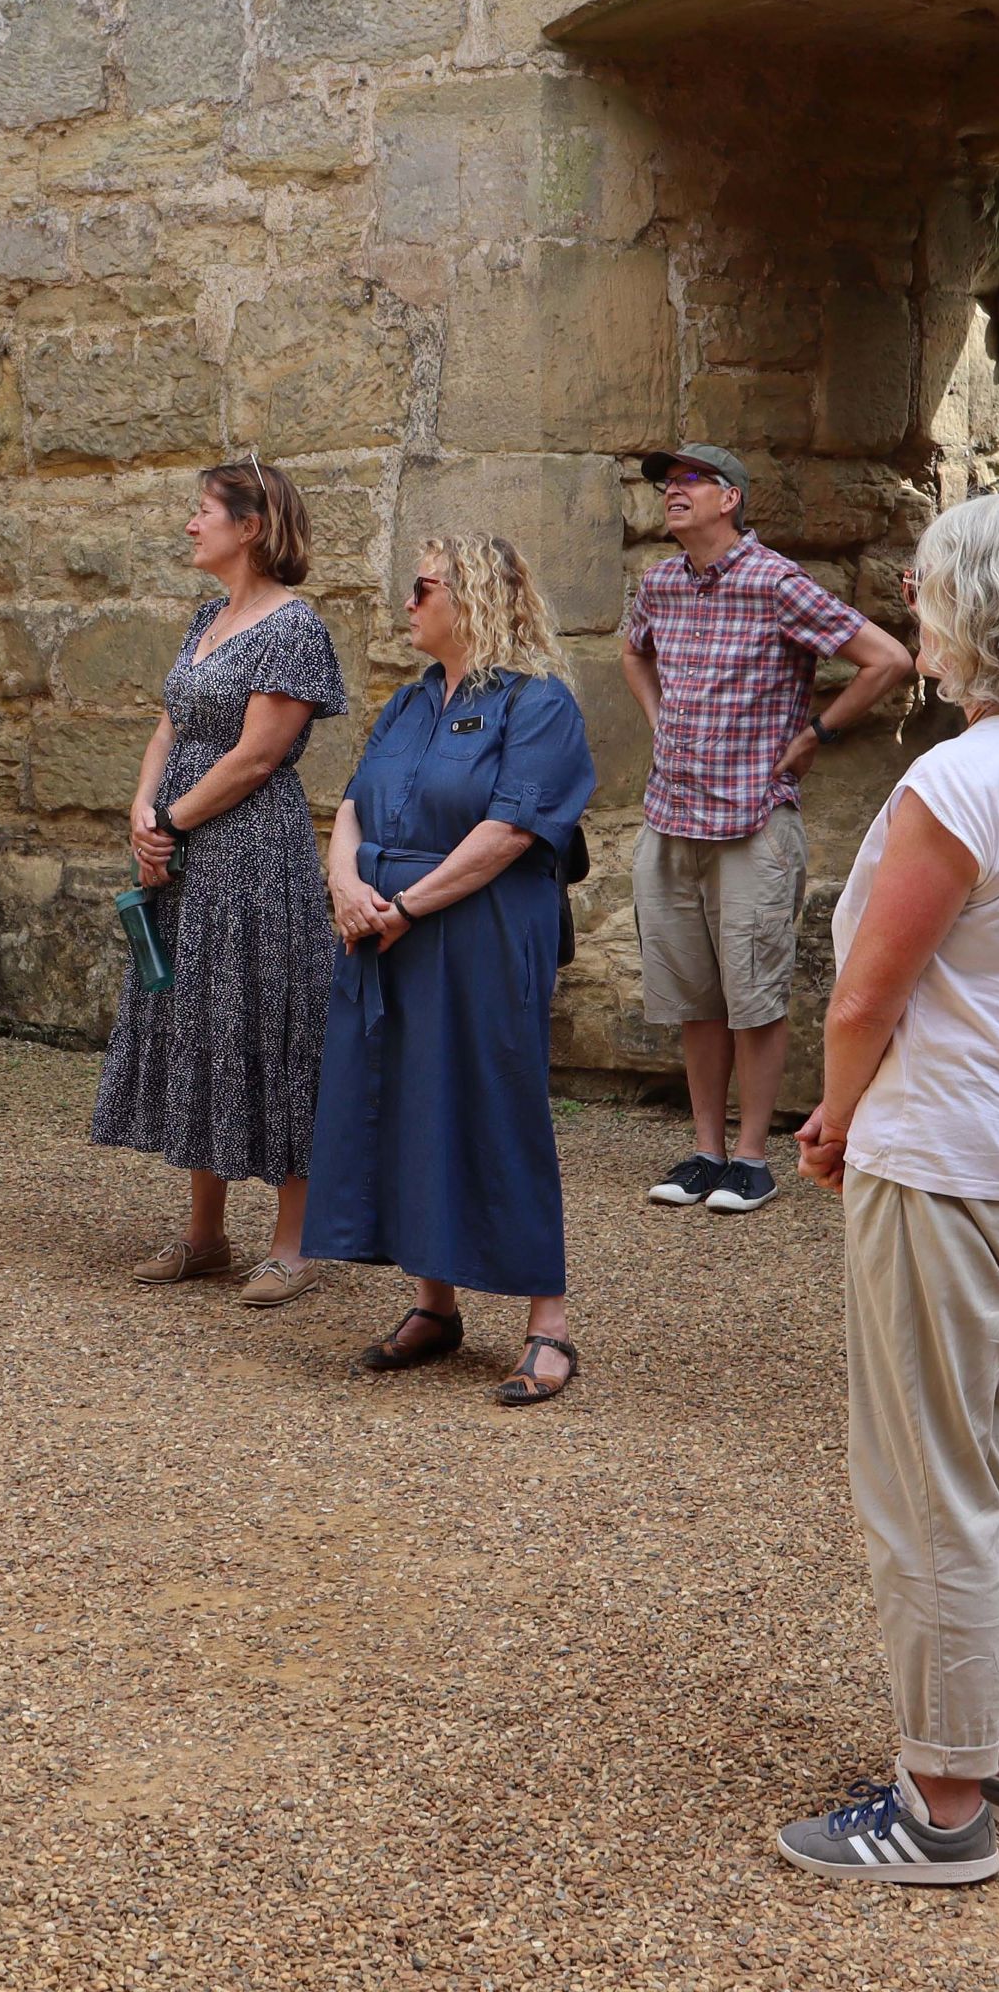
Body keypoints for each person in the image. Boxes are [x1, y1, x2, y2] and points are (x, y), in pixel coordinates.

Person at [775, 492, 999, 1887]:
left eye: (926, 588)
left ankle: (941, 1803)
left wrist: (833, 1118)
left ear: (982, 611)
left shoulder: (962, 781)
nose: (910, 604)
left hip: (950, 1156)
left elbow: (872, 989)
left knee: (930, 1483)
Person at [303, 532, 597, 1405]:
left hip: (480, 928)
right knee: (394, 1096)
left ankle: (550, 1324)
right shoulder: (407, 703)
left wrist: (405, 907)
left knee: (494, 1099)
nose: (407, 602)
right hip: (381, 927)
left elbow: (510, 832)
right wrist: (346, 883)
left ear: (467, 595)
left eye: (421, 586)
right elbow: (353, 803)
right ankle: (434, 1301)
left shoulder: (538, 703)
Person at [623, 444, 915, 1215]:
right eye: (666, 483)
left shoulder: (776, 581)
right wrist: (660, 720)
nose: (671, 493)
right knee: (696, 995)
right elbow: (631, 652)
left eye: (689, 482)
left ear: (731, 498)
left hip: (753, 818)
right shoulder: (659, 583)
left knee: (755, 992)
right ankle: (704, 1149)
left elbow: (887, 659)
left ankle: (751, 1157)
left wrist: (820, 730)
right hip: (670, 815)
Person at [96, 462, 350, 1304]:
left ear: (249, 527)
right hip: (181, 851)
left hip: (246, 851)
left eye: (201, 513)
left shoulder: (292, 628)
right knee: (196, 1017)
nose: (188, 525)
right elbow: (170, 724)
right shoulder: (209, 616)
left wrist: (169, 823)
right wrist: (142, 806)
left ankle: (294, 1240)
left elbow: (255, 757)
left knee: (265, 1019)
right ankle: (206, 1234)